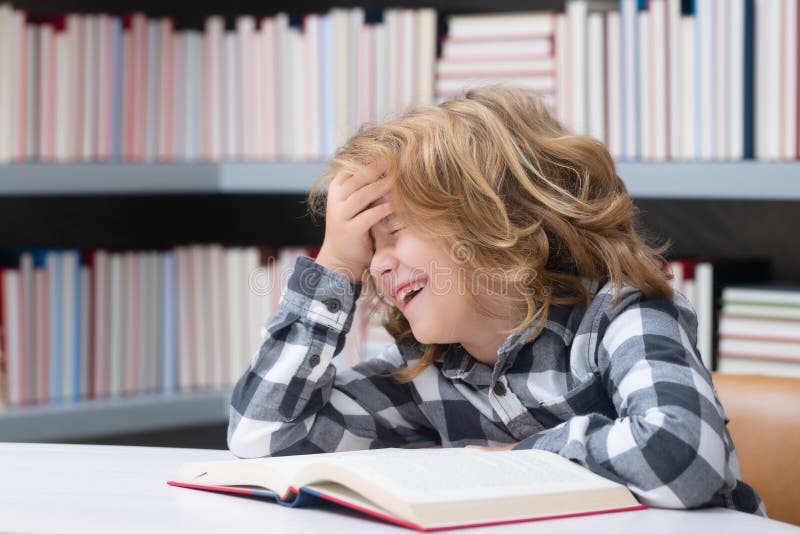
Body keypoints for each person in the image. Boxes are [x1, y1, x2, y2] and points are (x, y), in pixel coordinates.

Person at [228, 86, 763, 515]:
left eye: (393, 231)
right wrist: (334, 268)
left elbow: (683, 457)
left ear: (495, 222)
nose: (377, 264)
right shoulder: (428, 370)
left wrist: (520, 459)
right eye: (368, 249)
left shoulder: (621, 314)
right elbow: (264, 436)